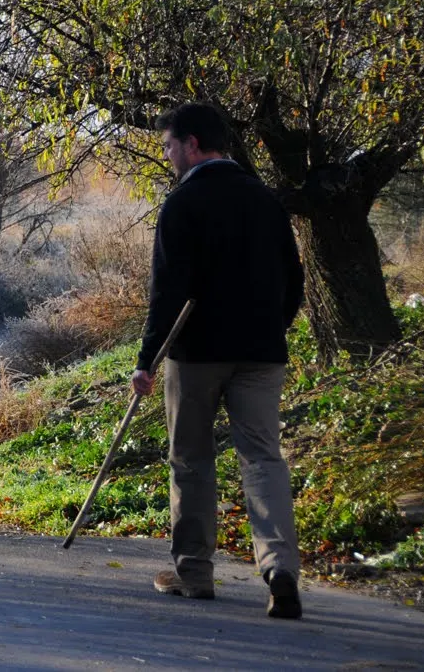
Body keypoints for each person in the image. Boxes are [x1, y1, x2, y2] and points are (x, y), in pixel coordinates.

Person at [132, 102, 306, 619]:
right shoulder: (265, 199)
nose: (167, 157)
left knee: (191, 459)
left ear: (192, 144)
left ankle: (194, 573)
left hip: (196, 352)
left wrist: (147, 358)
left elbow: (167, 292)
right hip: (261, 353)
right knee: (263, 458)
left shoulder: (184, 202)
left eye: (168, 147)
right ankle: (280, 570)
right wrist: (275, 325)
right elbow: (293, 279)